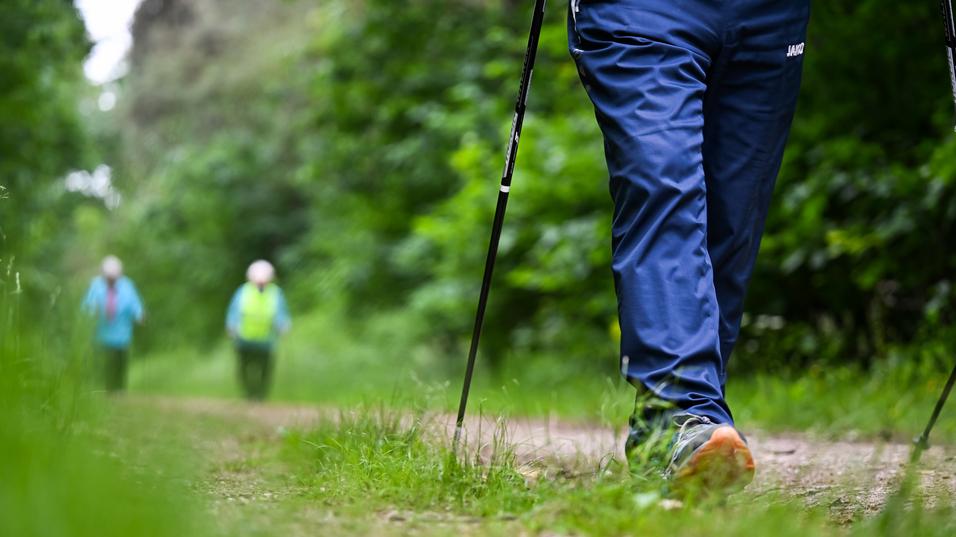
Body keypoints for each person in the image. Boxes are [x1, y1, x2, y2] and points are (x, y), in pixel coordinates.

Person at [568, 1, 810, 490]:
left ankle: (670, 437)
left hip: (771, 14)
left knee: (732, 221)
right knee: (662, 183)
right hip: (639, 12)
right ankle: (683, 414)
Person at [225, 260, 291, 401]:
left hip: (266, 341)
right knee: (244, 369)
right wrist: (231, 326)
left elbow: (281, 312)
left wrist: (283, 325)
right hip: (244, 340)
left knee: (265, 370)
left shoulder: (275, 293)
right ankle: (249, 394)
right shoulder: (242, 291)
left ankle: (260, 396)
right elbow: (234, 311)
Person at [82, 255, 145, 393]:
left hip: (122, 331)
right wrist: (92, 312)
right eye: (108, 277)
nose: (111, 280)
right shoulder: (96, 285)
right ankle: (105, 387)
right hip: (101, 331)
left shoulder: (127, 285)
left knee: (120, 360)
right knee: (104, 361)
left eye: (113, 277)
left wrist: (139, 314)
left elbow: (135, 303)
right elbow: (87, 305)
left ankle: (119, 388)